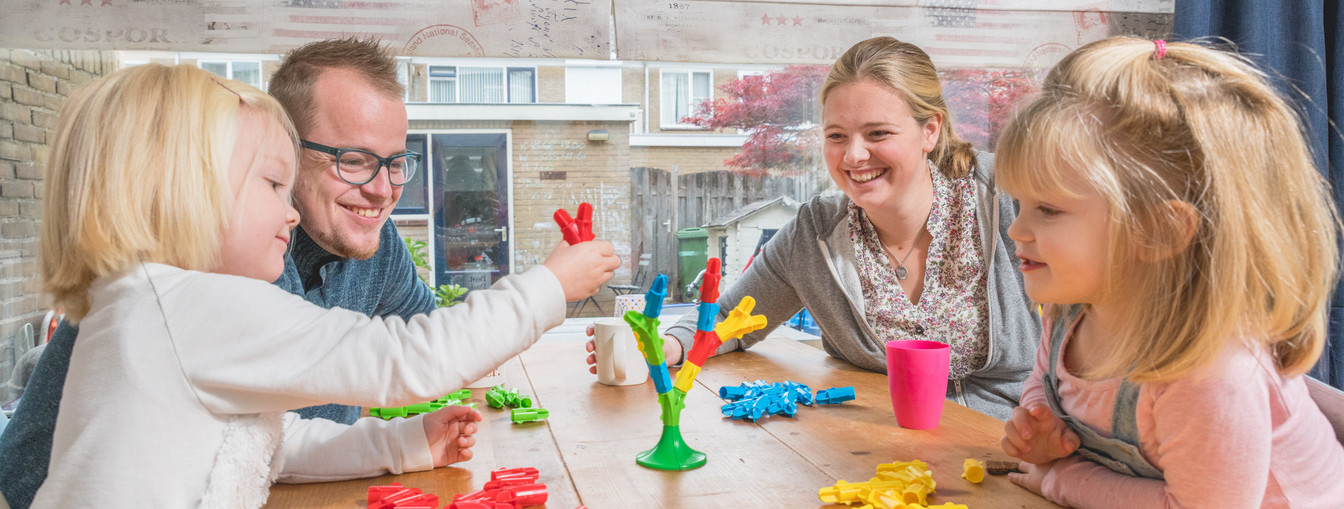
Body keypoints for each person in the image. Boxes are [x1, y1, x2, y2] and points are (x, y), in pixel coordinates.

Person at [0, 38, 616, 508]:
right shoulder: (188, 305)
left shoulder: (168, 306)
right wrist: (552, 286)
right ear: (185, 196)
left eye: (396, 163)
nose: (288, 210)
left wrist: (398, 443)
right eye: (272, 183)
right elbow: (407, 360)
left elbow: (267, 443)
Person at [584, 36, 1039, 420]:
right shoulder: (817, 228)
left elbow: (1093, 317)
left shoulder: (1008, 194)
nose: (853, 156)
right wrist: (665, 346)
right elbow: (728, 318)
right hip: (877, 448)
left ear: (930, 131)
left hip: (1012, 440)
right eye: (837, 136)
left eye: (878, 134)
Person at [997, 37, 1344, 507]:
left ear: (1159, 232)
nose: (1017, 229)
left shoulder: (1210, 375)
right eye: (1020, 204)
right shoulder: (1071, 310)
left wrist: (1059, 478)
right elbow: (1045, 380)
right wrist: (1038, 421)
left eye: (1049, 210)